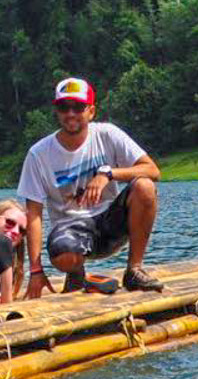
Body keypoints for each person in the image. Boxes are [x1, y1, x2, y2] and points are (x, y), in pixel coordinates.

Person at [18, 76, 164, 295]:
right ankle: (76, 274)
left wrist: (108, 173)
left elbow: (153, 171)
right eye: (63, 107)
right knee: (63, 255)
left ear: (91, 111)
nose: (70, 114)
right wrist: (36, 271)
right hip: (71, 232)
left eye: (78, 107)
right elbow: (34, 214)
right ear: (56, 112)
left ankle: (134, 270)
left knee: (144, 187)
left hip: (110, 221)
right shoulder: (38, 154)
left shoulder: (107, 134)